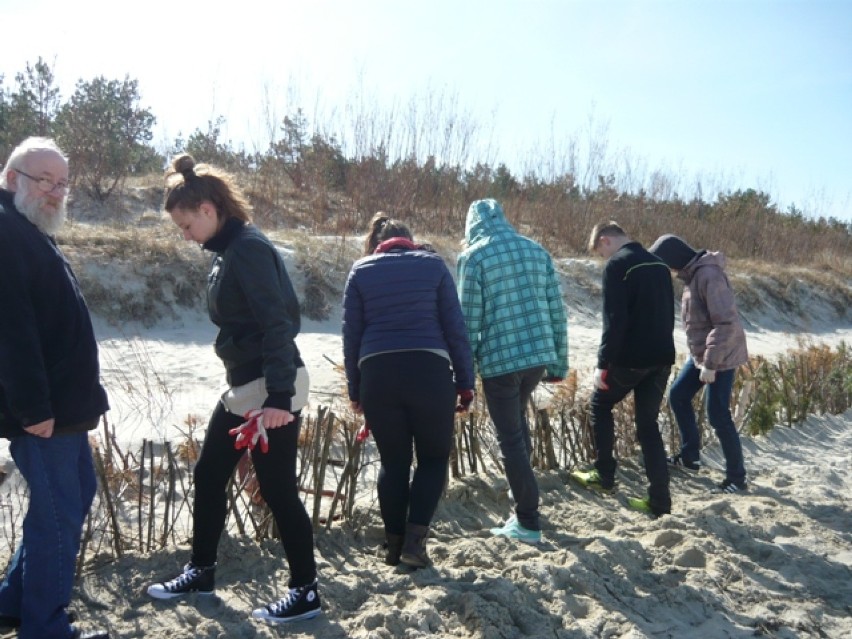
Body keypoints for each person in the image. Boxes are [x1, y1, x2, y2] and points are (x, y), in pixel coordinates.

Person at [145, 155, 320, 624]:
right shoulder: (230, 252)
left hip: (269, 387)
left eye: (185, 225)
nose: (185, 236)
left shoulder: (247, 248)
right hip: (249, 386)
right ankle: (201, 571)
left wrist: (280, 398)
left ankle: (306, 592)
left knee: (278, 490)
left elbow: (278, 322)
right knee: (210, 474)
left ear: (207, 209)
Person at [0, 137, 111, 639]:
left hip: (63, 409)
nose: (56, 192)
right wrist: (33, 409)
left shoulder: (27, 230)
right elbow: (11, 329)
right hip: (45, 415)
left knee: (71, 498)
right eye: (45, 180)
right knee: (56, 515)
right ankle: (44, 628)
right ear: (12, 178)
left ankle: (13, 603)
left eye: (62, 183)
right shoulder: (5, 232)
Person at [343, 213, 475, 568]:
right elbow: (455, 328)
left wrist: (355, 389)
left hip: (378, 374)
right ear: (410, 240)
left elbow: (351, 337)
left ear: (375, 244)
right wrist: (465, 384)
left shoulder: (360, 271)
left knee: (394, 461)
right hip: (429, 372)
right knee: (433, 458)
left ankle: (392, 546)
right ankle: (415, 544)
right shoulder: (433, 266)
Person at [457, 199, 568, 544]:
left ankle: (528, 519)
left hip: (500, 362)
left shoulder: (474, 257)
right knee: (518, 429)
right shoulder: (537, 251)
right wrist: (558, 363)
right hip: (536, 357)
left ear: (471, 224)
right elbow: (556, 311)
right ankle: (523, 509)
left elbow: (467, 322)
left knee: (510, 438)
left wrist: (464, 375)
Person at [570, 221, 675, 517]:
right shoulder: (659, 264)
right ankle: (660, 500)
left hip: (631, 358)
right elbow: (668, 313)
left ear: (605, 241)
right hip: (662, 357)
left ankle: (604, 475)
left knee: (599, 405)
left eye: (600, 252)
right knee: (648, 426)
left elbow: (614, 320)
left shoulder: (618, 265)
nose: (602, 258)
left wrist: (603, 364)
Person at [649, 234, 749, 494]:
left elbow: (725, 324)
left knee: (717, 415)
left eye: (665, 264)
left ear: (674, 259)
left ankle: (737, 478)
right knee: (678, 395)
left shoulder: (709, 276)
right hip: (704, 354)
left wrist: (711, 364)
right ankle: (690, 456)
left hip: (721, 355)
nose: (666, 270)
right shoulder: (693, 276)